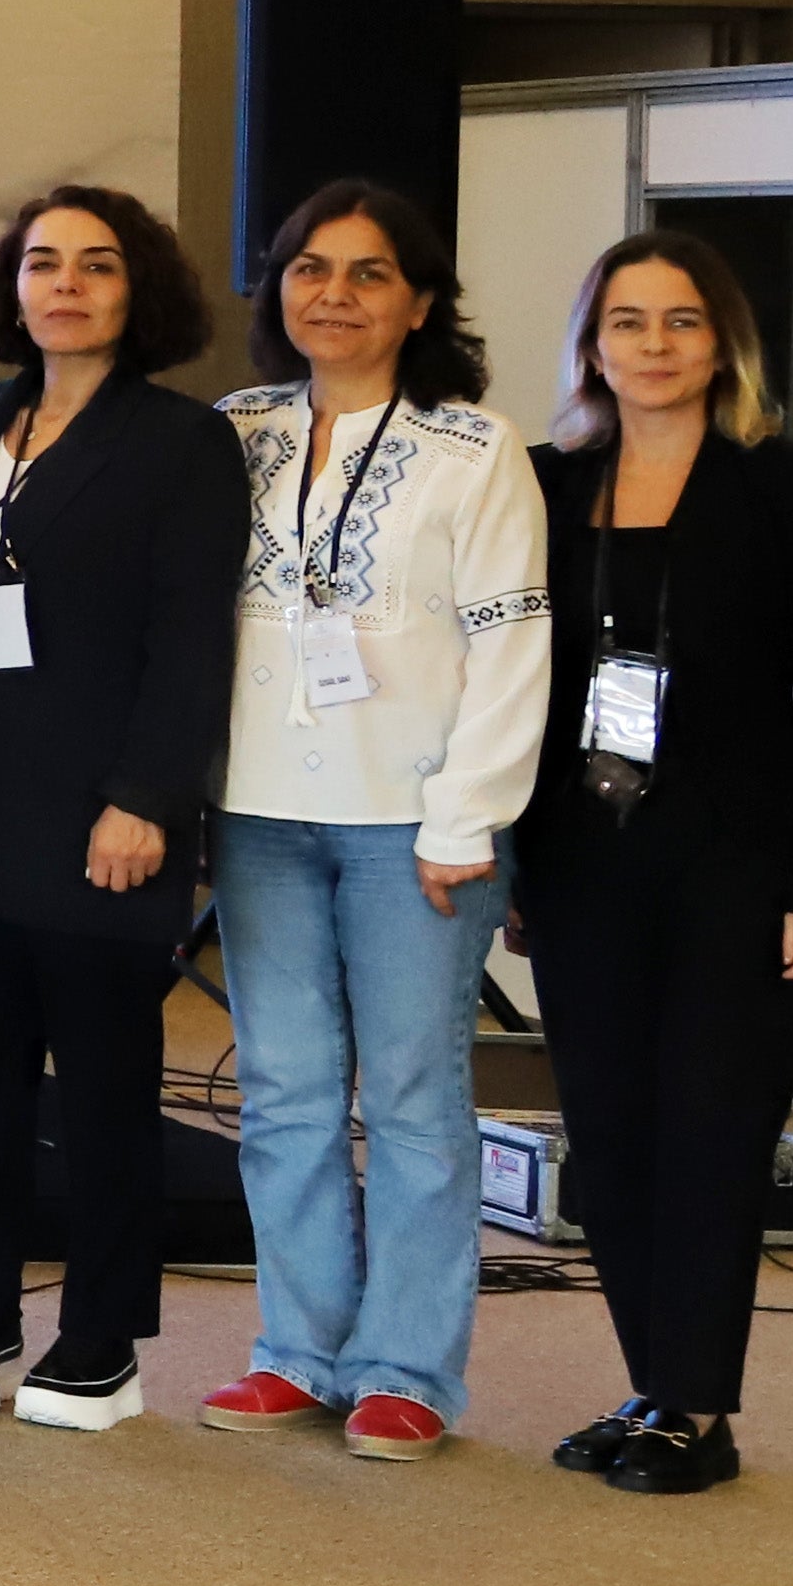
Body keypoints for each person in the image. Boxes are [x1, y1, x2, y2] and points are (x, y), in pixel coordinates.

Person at [197, 181, 546, 1460]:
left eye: (365, 273)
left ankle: (405, 1368)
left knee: (411, 1097)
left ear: (416, 301)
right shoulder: (230, 431)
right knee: (284, 1095)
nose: (332, 294)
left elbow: (514, 647)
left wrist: (468, 816)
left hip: (415, 825)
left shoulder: (474, 449)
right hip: (255, 816)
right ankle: (297, 1346)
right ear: (276, 290)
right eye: (307, 269)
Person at [518, 232, 793, 1496]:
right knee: (607, 1138)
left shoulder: (788, 483)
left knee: (711, 1134)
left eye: (678, 322)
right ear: (591, 343)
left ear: (721, 343)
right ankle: (654, 1385)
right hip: (578, 858)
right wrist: (506, 854)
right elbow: (518, 688)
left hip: (740, 864)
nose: (652, 346)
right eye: (626, 322)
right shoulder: (552, 484)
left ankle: (699, 1411)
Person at [0, 184, 241, 1431]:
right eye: (41, 263)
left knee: (104, 1097)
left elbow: (187, 637)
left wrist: (148, 797)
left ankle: (99, 1341)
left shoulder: (179, 442)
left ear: (135, 291)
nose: (64, 285)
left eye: (95, 266)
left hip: (105, 822)